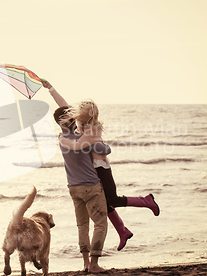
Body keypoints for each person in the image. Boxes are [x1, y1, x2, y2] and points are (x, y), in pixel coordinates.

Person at [44, 82, 160, 252]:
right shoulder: (83, 126)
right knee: (105, 204)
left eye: (77, 114)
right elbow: (64, 107)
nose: (73, 115)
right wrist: (51, 89)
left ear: (86, 115)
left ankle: (146, 202)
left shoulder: (92, 129)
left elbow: (94, 147)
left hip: (102, 168)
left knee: (112, 200)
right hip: (94, 169)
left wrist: (65, 140)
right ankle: (123, 231)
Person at [44, 81, 109, 273]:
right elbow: (101, 148)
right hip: (90, 185)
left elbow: (64, 109)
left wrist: (51, 89)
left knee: (82, 226)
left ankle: (86, 264)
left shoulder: (62, 138)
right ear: (71, 120)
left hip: (73, 187)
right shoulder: (81, 138)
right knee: (100, 223)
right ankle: (95, 265)